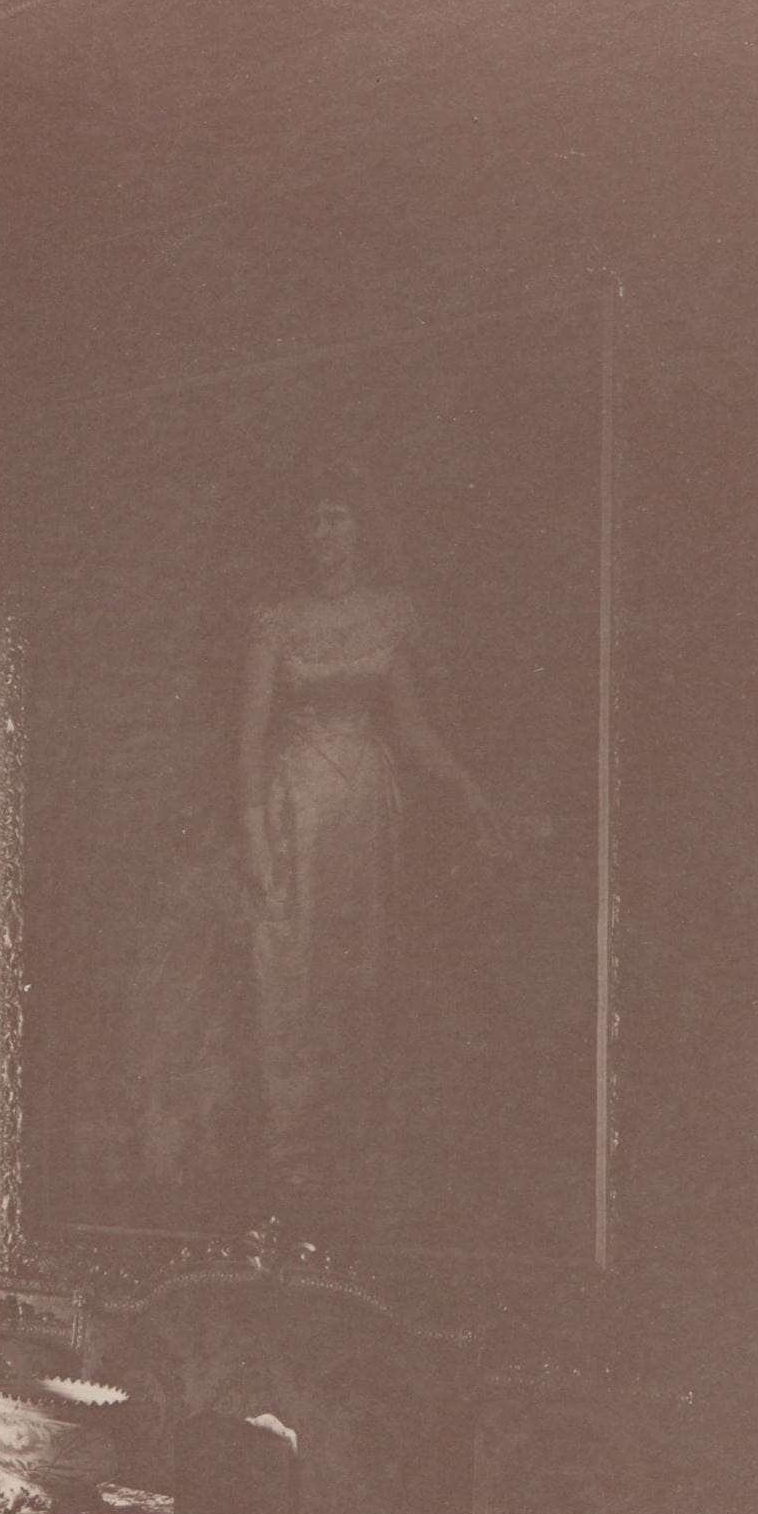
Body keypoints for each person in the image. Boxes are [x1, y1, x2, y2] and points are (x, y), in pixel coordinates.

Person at [237, 492, 505, 1210]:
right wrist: (257, 835)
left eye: (338, 517)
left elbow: (411, 726)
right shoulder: (277, 619)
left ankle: (351, 1147)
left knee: (363, 966)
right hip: (298, 803)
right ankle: (293, 1153)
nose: (325, 532)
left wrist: (466, 784)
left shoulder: (389, 611)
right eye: (314, 518)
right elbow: (251, 737)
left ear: (360, 529)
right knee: (296, 968)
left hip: (367, 809)